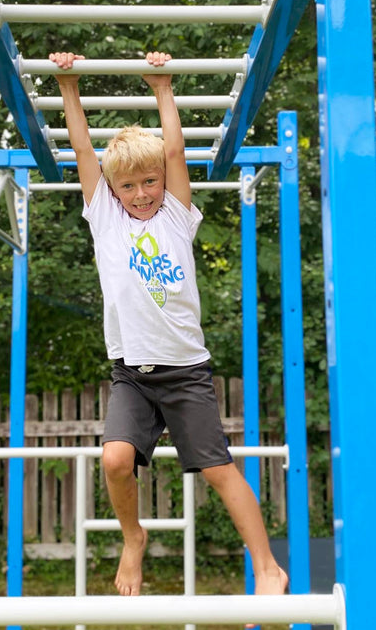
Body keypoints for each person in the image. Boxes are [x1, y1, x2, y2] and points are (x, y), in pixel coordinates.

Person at [49, 51, 288, 605]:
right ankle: (133, 536)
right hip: (132, 372)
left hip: (185, 372)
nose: (141, 194)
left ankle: (268, 568)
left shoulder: (177, 215)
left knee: (218, 471)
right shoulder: (104, 216)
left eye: (150, 182)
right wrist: (69, 86)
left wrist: (162, 87)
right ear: (113, 190)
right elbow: (83, 150)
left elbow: (175, 149)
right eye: (129, 186)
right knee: (113, 458)